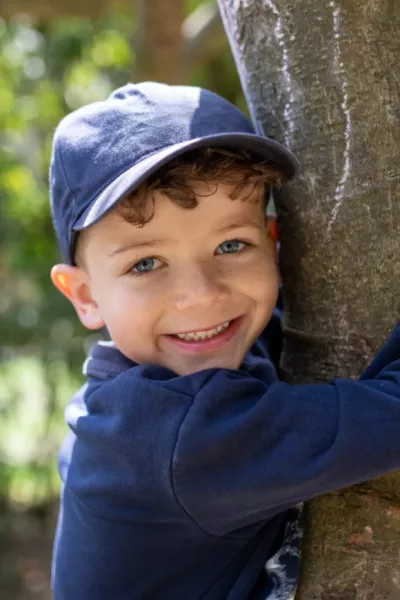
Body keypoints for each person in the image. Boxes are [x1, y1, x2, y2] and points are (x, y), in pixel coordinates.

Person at [49, 82, 400, 600]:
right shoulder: (176, 437)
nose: (202, 295)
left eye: (231, 245)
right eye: (146, 264)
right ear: (85, 295)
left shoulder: (145, 388)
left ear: (274, 247)